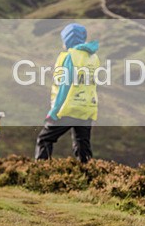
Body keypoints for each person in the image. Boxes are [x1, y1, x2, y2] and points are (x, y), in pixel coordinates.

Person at [34, 23, 100, 164]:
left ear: (68, 39)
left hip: (69, 108)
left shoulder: (70, 57)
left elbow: (65, 86)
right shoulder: (92, 57)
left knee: (44, 139)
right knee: (83, 146)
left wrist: (54, 112)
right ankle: (90, 178)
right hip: (86, 108)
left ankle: (39, 174)